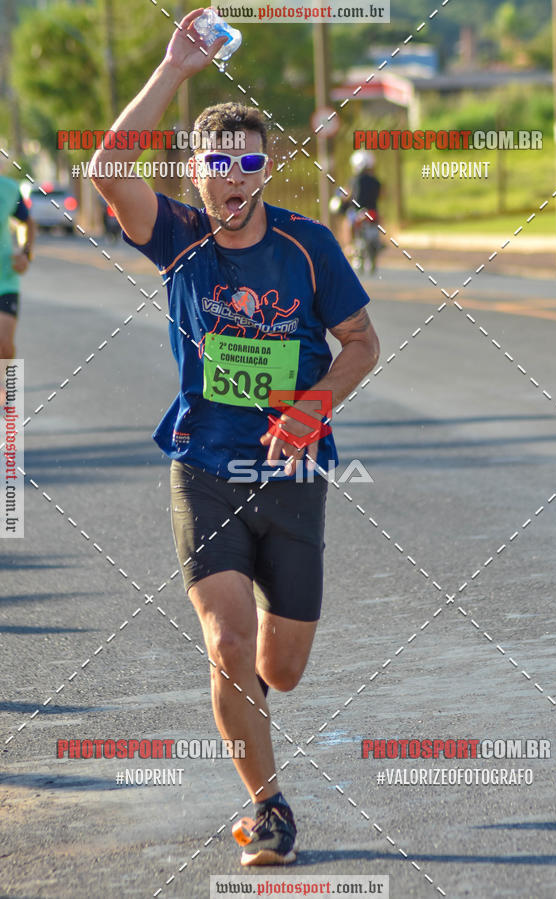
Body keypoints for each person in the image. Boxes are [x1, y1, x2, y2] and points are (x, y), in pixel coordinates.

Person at [91, 8, 379, 867]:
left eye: (248, 162)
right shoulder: (177, 239)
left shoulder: (308, 245)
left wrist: (315, 403)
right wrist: (175, 68)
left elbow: (362, 343)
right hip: (204, 468)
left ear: (266, 170)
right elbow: (106, 169)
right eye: (216, 164)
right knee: (226, 645)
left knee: (278, 668)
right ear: (195, 171)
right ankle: (270, 806)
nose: (232, 178)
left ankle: (259, 690)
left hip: (291, 472)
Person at [0, 173, 35, 402]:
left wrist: (25, 253)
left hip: (5, 278)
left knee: (4, 345)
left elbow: (27, 222)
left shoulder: (9, 188)